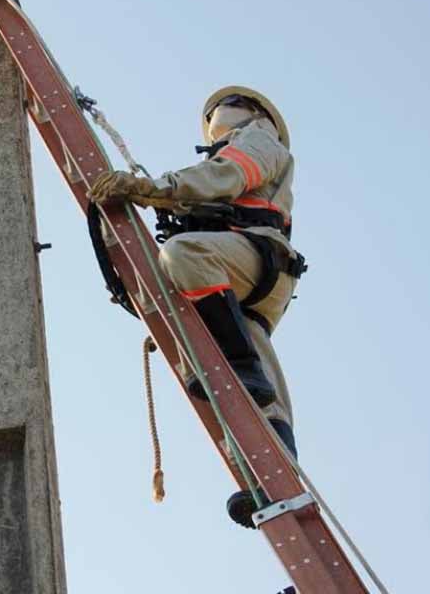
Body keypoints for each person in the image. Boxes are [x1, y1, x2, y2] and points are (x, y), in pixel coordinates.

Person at [88, 86, 305, 528]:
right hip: (248, 271)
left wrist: (149, 189)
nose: (215, 116)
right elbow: (213, 188)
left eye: (222, 109)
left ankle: (241, 364)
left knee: (186, 256)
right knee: (225, 369)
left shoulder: (259, 138)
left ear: (253, 113)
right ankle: (266, 477)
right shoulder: (226, 155)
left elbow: (227, 177)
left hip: (250, 257)